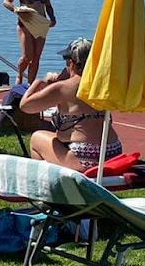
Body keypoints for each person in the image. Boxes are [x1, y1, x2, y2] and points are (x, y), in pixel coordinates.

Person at [20, 38, 121, 170]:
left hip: (85, 156)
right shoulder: (105, 84)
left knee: (36, 138)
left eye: (66, 61)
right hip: (113, 151)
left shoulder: (63, 88)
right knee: (56, 138)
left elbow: (25, 106)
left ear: (71, 63)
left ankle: (47, 184)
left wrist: (40, 83)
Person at [3, 0, 55, 83]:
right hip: (25, 23)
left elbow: (48, 5)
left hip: (41, 23)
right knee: (27, 56)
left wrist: (53, 17)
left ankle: (30, 84)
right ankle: (20, 76)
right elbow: (6, 1)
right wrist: (17, 10)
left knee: (36, 57)